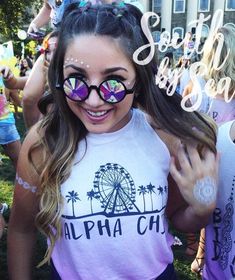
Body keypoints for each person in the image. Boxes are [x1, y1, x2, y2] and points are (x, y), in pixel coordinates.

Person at [8, 2, 219, 279]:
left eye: (114, 81)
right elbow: (21, 229)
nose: (93, 100)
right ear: (60, 76)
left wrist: (202, 206)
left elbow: (176, 217)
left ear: (138, 79)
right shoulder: (45, 142)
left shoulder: (164, 137)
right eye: (77, 79)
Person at [185, 25, 235, 275]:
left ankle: (199, 251)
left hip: (203, 160)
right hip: (226, 164)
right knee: (222, 215)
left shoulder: (199, 85)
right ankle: (205, 254)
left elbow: (186, 120)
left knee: (206, 208)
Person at [22, 30, 58, 128]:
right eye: (47, 51)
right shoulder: (46, 72)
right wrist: (9, 78)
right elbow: (19, 83)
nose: (50, 57)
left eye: (56, 50)